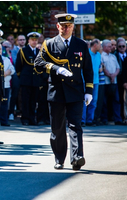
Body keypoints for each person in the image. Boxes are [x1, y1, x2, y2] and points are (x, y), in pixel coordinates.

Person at [34, 13, 93, 170]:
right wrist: (55, 68)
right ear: (57, 26)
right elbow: (38, 63)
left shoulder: (81, 45)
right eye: (63, 26)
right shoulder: (49, 44)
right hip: (57, 92)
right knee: (57, 128)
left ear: (73, 27)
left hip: (75, 91)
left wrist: (89, 91)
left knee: (75, 125)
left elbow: (88, 69)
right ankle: (59, 158)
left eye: (69, 26)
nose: (66, 28)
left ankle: (77, 157)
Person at [15, 32, 41, 126]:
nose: (34, 42)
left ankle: (32, 118)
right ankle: (25, 118)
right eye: (32, 40)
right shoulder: (23, 51)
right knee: (25, 100)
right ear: (29, 41)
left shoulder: (39, 52)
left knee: (33, 101)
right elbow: (18, 66)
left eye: (35, 40)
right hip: (26, 80)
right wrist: (20, 76)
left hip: (35, 80)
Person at [101, 39, 123, 125]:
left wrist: (114, 75)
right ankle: (104, 119)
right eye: (110, 46)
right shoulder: (101, 56)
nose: (112, 47)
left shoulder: (113, 56)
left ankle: (117, 119)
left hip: (114, 82)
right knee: (104, 102)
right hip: (105, 82)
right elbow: (103, 67)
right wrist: (110, 75)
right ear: (105, 47)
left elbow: (118, 68)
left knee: (116, 101)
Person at [82, 39, 101, 126]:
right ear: (95, 45)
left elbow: (99, 66)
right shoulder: (86, 53)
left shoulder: (99, 55)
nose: (100, 46)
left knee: (93, 101)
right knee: (84, 101)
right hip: (85, 81)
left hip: (96, 81)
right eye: (99, 45)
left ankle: (90, 120)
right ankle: (82, 120)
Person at [0, 42, 15, 126]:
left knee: (5, 103)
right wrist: (1, 74)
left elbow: (12, 69)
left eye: (0, 49)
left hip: (6, 84)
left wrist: (8, 72)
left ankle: (4, 121)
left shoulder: (6, 59)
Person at [114, 39, 127, 120]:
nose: (121, 48)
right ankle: (122, 116)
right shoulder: (115, 55)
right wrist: (124, 81)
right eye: (120, 46)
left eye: (123, 46)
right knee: (120, 99)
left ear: (126, 47)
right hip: (118, 81)